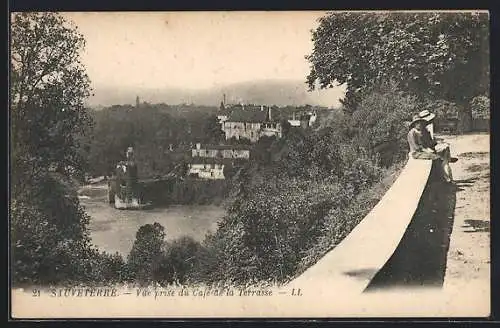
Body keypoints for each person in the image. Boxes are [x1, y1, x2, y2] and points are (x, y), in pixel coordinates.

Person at [407, 111, 458, 183]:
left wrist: (433, 144)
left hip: (423, 151)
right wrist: (427, 150)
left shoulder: (421, 131)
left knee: (442, 153)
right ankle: (445, 178)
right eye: (417, 123)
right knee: (437, 157)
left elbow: (427, 143)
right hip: (416, 153)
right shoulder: (412, 133)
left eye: (420, 123)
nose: (419, 125)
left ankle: (445, 176)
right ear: (414, 124)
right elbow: (416, 147)